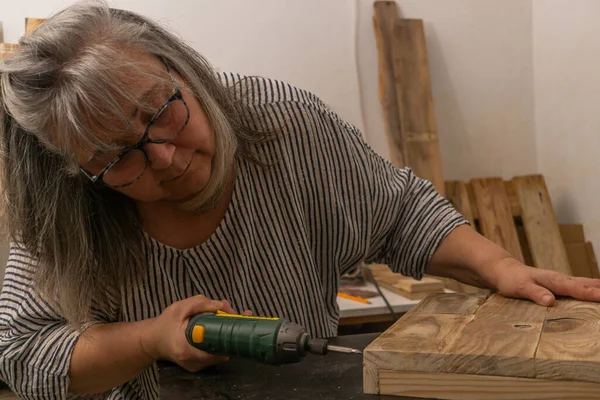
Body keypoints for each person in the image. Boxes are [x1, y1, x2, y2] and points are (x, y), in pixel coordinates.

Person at [0, 1, 599, 399]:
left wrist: (502, 267)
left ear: (182, 67)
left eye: (161, 109)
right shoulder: (63, 205)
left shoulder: (283, 124)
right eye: (118, 156)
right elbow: (23, 350)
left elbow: (402, 213)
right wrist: (150, 340)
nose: (166, 157)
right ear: (77, 172)